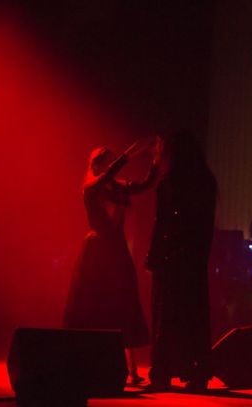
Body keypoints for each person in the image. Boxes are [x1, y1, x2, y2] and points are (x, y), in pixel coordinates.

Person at [64, 137, 161, 384]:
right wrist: (127, 156)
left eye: (112, 162)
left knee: (125, 304)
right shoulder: (91, 187)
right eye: (107, 163)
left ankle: (133, 370)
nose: (110, 167)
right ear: (96, 165)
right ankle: (86, 363)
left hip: (117, 251)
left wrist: (155, 160)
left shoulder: (118, 188)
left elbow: (146, 184)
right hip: (98, 252)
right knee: (95, 306)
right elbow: (106, 177)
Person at [146, 131, 217, 392]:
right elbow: (204, 226)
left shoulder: (170, 183)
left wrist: (155, 254)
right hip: (191, 260)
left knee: (166, 316)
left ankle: (163, 372)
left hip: (172, 258)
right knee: (192, 317)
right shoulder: (205, 181)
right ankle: (195, 372)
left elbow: (163, 223)